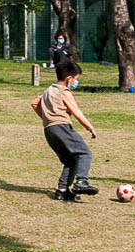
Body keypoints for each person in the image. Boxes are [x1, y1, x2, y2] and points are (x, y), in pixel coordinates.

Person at [32, 59, 99, 201]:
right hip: (62, 127)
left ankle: (62, 191)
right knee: (84, 153)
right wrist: (89, 127)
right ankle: (81, 182)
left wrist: (47, 119)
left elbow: (35, 104)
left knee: (70, 160)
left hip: (49, 130)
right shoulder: (64, 91)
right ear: (69, 78)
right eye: (76, 79)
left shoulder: (48, 90)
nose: (76, 82)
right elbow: (76, 111)